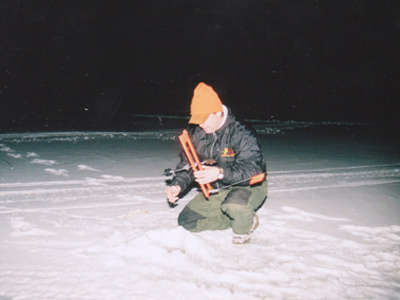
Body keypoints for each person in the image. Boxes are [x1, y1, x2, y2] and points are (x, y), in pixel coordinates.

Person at [167, 82, 267, 244]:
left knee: (234, 206)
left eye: (203, 119)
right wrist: (177, 185)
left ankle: (243, 230)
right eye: (197, 120)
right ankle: (239, 218)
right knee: (187, 221)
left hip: (248, 185)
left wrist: (220, 172)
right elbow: (189, 163)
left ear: (217, 112)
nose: (200, 124)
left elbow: (254, 170)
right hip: (219, 186)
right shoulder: (199, 133)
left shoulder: (242, 133)